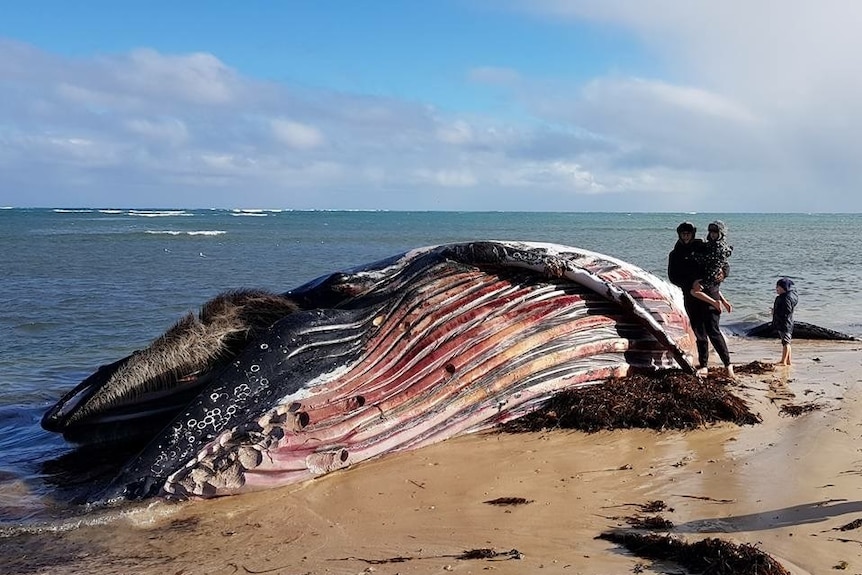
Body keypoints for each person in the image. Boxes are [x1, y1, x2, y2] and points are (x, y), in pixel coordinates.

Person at [668, 222, 733, 378]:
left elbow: (722, 262)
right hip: (690, 296)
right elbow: (673, 278)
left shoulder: (702, 246)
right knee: (699, 332)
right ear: (679, 234)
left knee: (713, 330)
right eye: (683, 233)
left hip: (710, 293)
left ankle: (728, 365)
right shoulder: (674, 254)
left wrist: (724, 273)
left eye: (688, 233)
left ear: (693, 234)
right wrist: (691, 283)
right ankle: (704, 365)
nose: (686, 236)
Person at [690, 220, 733, 311]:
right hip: (713, 277)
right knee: (713, 288)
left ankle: (715, 303)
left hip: (711, 275)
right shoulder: (714, 245)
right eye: (711, 232)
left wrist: (695, 255)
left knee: (694, 291)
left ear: (720, 233)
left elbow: (711, 261)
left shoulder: (718, 247)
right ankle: (724, 302)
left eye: (715, 232)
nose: (713, 234)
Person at [772, 277, 798, 366]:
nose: (776, 289)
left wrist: (775, 312)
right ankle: (788, 360)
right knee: (787, 342)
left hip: (784, 323)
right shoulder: (788, 297)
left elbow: (786, 311)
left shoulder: (784, 298)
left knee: (785, 343)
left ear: (783, 288)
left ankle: (784, 361)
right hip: (788, 323)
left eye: (777, 287)